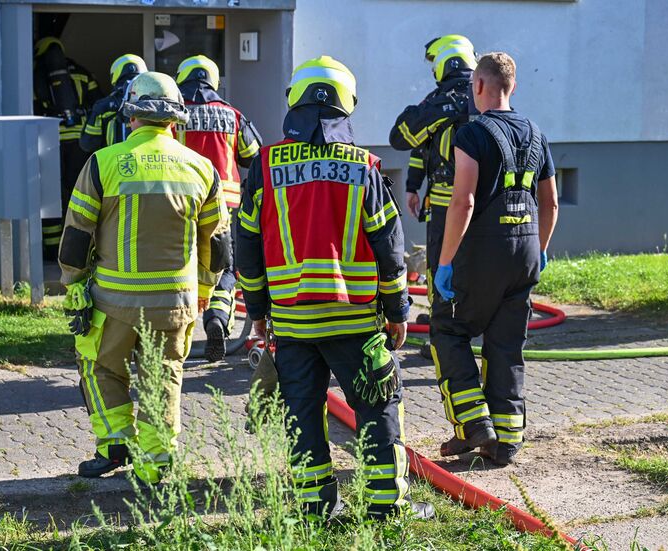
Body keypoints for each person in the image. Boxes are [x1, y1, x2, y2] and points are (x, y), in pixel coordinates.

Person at [236, 56, 432, 520]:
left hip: (293, 326)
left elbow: (247, 247)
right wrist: (398, 310)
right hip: (357, 323)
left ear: (293, 102)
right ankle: (386, 507)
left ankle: (315, 508)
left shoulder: (263, 167)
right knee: (378, 409)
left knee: (302, 417)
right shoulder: (364, 166)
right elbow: (389, 245)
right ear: (348, 106)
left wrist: (258, 312)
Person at [58, 71, 231, 485]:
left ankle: (114, 444)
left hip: (113, 304)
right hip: (175, 305)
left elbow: (76, 236)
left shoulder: (104, 163)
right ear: (175, 119)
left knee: (99, 365)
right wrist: (206, 288)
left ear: (130, 115)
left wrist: (75, 285)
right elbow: (219, 244)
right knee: (164, 374)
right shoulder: (202, 168)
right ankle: (157, 463)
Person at [431, 52, 559, 466]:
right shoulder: (536, 133)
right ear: (513, 87)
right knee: (505, 346)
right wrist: (539, 250)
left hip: (483, 253)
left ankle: (474, 425)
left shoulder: (472, 134)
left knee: (448, 331)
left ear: (480, 86)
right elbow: (551, 202)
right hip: (524, 252)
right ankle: (505, 442)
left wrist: (446, 262)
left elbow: (463, 201)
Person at [172, 54, 263, 361]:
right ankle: (217, 320)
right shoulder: (232, 115)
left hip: (182, 204)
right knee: (222, 266)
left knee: (180, 263)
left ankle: (174, 330)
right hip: (225, 207)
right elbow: (253, 154)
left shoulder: (175, 114)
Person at [389, 35, 477, 293]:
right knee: (475, 264)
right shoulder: (487, 94)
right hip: (485, 200)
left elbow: (400, 138)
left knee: (442, 263)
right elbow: (422, 147)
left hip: (445, 204)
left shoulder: (439, 101)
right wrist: (413, 185)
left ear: (443, 64)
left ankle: (442, 318)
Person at [33, 37, 102, 260]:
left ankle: (53, 250)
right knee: (82, 194)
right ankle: (85, 246)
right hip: (80, 142)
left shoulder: (36, 74)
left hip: (50, 141)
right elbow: (97, 103)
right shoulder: (81, 72)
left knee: (51, 197)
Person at [80, 54, 147, 153]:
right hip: (148, 163)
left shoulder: (103, 106)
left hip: (115, 164)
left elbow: (88, 144)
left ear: (115, 75)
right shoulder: (154, 104)